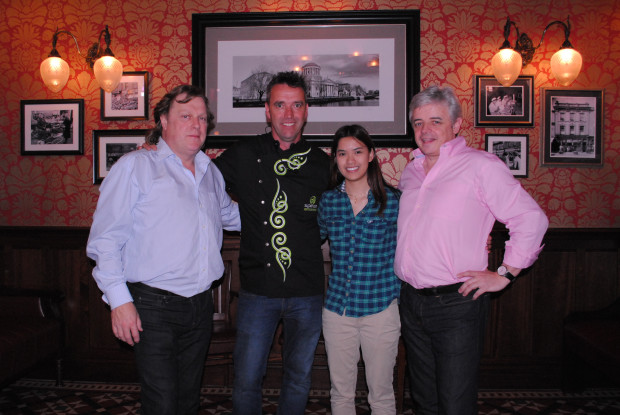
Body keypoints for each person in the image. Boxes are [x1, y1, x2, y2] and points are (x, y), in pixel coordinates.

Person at [86, 84, 241, 415]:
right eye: (186, 116)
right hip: (153, 308)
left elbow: (232, 216)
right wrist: (120, 302)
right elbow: (106, 240)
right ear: (164, 121)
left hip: (200, 306)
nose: (196, 124)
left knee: (187, 401)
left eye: (202, 118)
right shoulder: (135, 166)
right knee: (162, 404)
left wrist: (284, 216)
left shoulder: (210, 172)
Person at [395, 85, 548, 415]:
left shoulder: (481, 166)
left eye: (436, 121)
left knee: (455, 403)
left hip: (456, 305)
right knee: (425, 399)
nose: (425, 130)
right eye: (418, 123)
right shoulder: (410, 172)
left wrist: (505, 274)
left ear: (456, 124)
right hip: (410, 301)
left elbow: (531, 218)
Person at [213, 71, 330, 415]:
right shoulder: (243, 154)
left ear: (306, 110)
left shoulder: (324, 164)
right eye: (280, 105)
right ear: (267, 110)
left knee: (298, 377)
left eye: (297, 105)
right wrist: (158, 156)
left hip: (307, 291)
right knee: (247, 378)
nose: (289, 114)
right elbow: (198, 181)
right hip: (257, 291)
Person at [317, 124, 401, 415]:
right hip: (337, 311)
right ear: (335, 158)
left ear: (371, 155)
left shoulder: (394, 201)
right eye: (342, 153)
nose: (350, 160)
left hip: (381, 309)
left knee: (381, 394)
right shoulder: (328, 201)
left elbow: (420, 242)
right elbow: (309, 242)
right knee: (340, 393)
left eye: (357, 152)